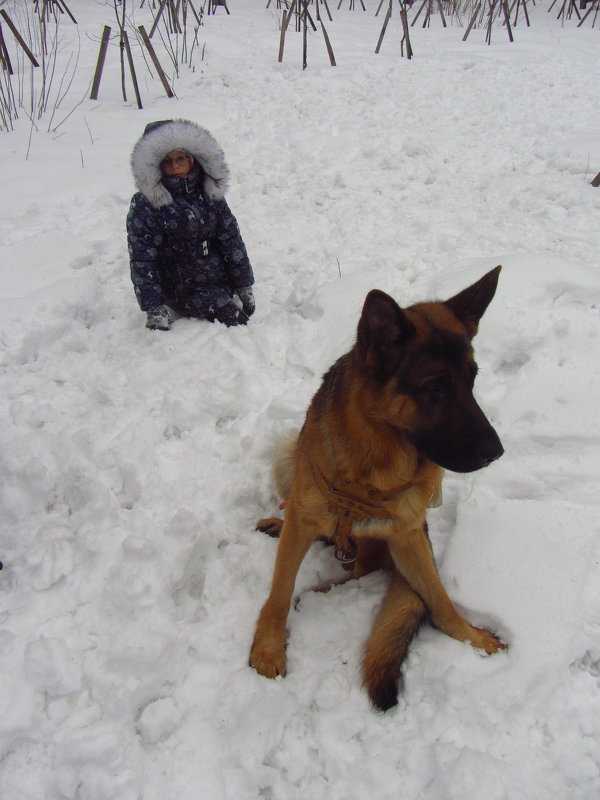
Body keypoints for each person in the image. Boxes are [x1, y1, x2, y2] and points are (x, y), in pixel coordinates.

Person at [126, 119, 255, 330]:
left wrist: (243, 283)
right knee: (239, 325)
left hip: (218, 279)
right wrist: (154, 307)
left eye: (180, 158)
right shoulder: (147, 203)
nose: (175, 165)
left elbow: (230, 240)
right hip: (180, 288)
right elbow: (142, 259)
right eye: (167, 161)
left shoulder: (208, 191)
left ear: (192, 159)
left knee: (244, 315)